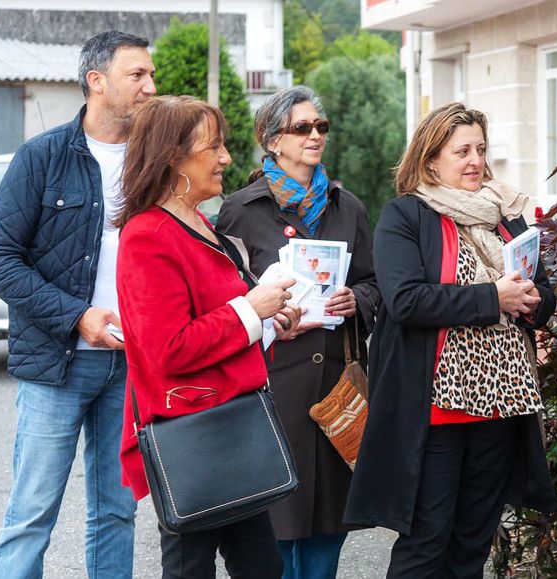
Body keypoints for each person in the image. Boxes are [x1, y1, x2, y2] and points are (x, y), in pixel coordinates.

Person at [344, 102, 557, 577]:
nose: (475, 160)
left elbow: (545, 295)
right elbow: (405, 301)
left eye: (481, 149)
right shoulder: (405, 216)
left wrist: (531, 300)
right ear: (430, 159)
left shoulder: (506, 215)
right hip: (436, 409)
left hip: (503, 403)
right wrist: (492, 299)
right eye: (462, 150)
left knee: (472, 543)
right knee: (427, 541)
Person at [0, 30, 154, 578]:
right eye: (137, 75)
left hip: (130, 364)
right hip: (58, 364)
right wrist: (78, 316)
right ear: (96, 82)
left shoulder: (156, 162)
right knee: (32, 514)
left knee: (117, 513)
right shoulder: (42, 157)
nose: (151, 86)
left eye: (152, 74)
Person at [114, 95, 302, 577]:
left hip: (229, 427)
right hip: (192, 434)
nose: (226, 158)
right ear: (173, 158)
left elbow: (222, 324)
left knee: (261, 565)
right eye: (213, 147)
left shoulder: (197, 222)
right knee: (192, 568)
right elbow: (167, 351)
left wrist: (268, 319)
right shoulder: (148, 235)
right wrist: (249, 309)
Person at [215, 85, 380, 579]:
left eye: (321, 128)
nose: (315, 136)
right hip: (271, 386)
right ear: (271, 140)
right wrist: (263, 316)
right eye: (302, 128)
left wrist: (359, 301)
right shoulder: (241, 210)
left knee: (329, 526)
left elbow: (375, 283)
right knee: (275, 528)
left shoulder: (346, 206)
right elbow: (224, 297)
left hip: (335, 389)